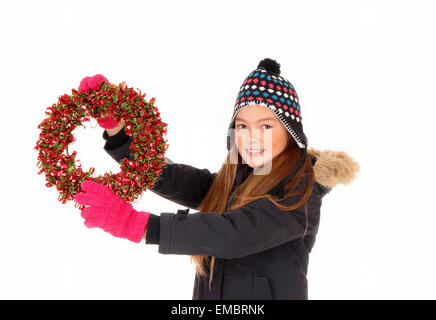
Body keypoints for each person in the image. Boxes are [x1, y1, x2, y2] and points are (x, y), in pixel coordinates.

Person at [75, 58, 360, 300]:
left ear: (290, 133)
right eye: (242, 126)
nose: (251, 137)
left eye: (266, 125)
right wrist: (120, 134)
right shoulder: (241, 179)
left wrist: (134, 223)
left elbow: (231, 233)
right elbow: (181, 181)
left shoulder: (300, 195)